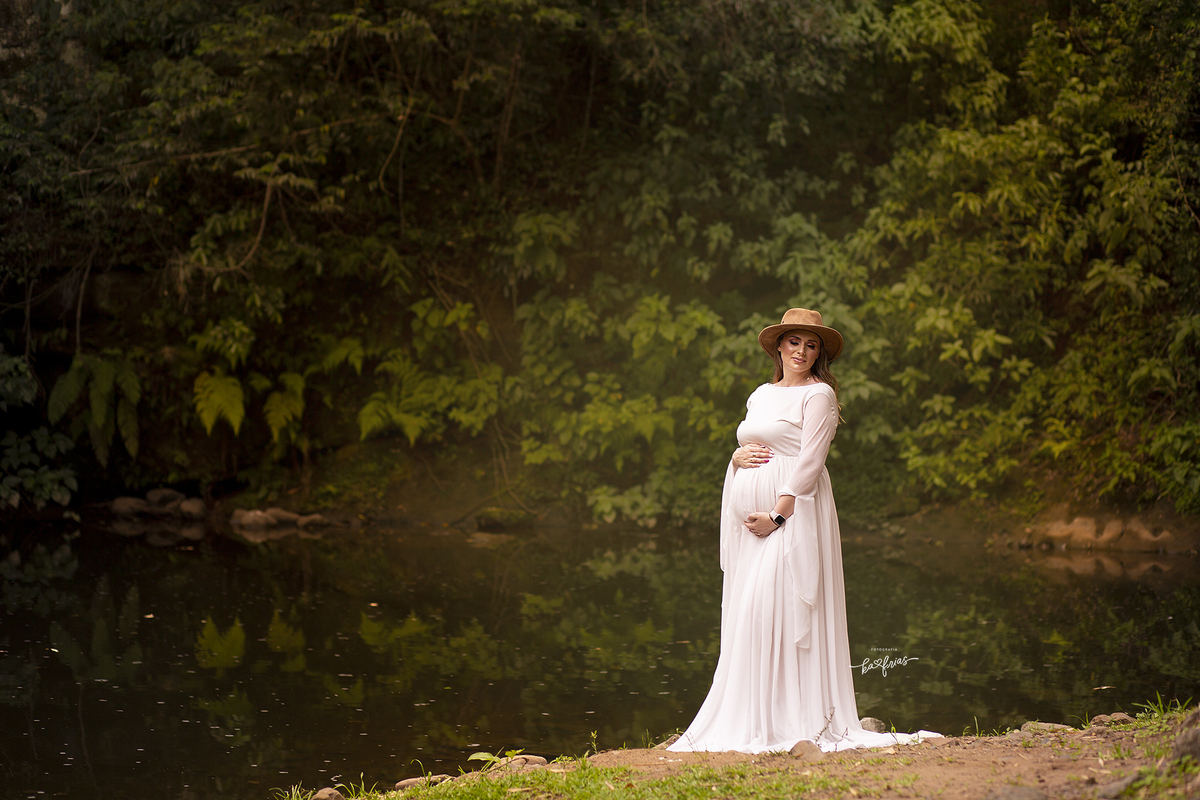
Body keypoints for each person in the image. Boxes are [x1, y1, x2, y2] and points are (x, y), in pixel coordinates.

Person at [669, 308, 939, 753]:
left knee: (778, 607)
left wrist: (778, 515)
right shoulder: (761, 394)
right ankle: (753, 715)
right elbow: (748, 443)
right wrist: (735, 459)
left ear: (819, 354)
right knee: (751, 614)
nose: (801, 351)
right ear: (779, 346)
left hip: (793, 514)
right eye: (794, 342)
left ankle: (793, 718)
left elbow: (811, 461)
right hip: (750, 527)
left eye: (811, 345)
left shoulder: (819, 396)